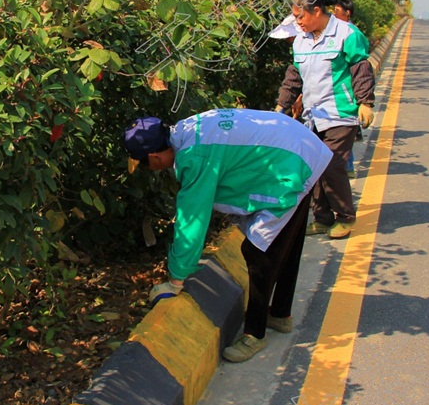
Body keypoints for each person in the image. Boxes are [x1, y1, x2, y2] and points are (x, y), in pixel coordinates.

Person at [122, 109, 333, 363]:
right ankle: (279, 314)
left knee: (258, 253)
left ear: (154, 156)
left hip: (292, 160)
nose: (151, 169)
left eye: (146, 164)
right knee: (286, 242)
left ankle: (255, 334)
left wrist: (175, 280)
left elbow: (193, 220)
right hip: (296, 146)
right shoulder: (186, 132)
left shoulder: (194, 155)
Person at [276, 0, 375, 239]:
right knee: (313, 168)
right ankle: (322, 218)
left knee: (331, 165)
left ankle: (345, 217)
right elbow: (294, 78)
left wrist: (366, 102)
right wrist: (281, 107)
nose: (297, 23)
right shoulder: (301, 41)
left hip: (340, 113)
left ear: (316, 11)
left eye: (300, 17)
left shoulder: (347, 34)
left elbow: (360, 68)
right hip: (313, 116)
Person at [331, 0, 363, 178]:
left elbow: (358, 65)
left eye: (337, 10)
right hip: (337, 94)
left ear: (347, 13)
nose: (334, 13)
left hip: (344, 94)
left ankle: (347, 167)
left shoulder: (351, 33)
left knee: (344, 130)